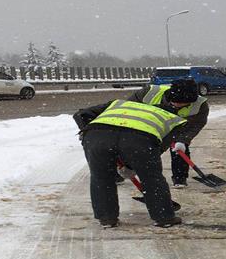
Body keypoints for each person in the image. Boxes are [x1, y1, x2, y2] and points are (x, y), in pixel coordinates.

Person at [74, 78, 208, 188]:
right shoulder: (148, 93)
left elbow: (195, 125)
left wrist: (183, 140)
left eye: (184, 104)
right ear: (170, 96)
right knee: (124, 145)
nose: (178, 105)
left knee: (179, 148)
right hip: (145, 127)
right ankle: (117, 174)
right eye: (176, 102)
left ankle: (179, 179)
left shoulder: (200, 105)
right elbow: (127, 112)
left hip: (176, 127)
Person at [76, 97, 188, 228]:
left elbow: (81, 114)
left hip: (96, 136)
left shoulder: (121, 104)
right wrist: (132, 165)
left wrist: (87, 131)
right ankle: (164, 217)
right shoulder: (173, 119)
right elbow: (158, 148)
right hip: (139, 139)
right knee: (151, 178)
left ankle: (107, 218)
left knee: (101, 177)